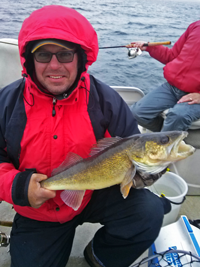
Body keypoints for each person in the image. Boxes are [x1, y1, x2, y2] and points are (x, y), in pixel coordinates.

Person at [0, 5, 171, 267]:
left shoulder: (106, 101)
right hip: (39, 210)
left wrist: (147, 171)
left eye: (65, 54)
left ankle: (100, 257)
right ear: (29, 59)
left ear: (81, 58)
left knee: (148, 212)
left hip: (94, 193)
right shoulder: (7, 103)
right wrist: (18, 187)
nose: (54, 65)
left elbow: (133, 148)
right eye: (43, 54)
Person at [128, 20, 200, 132]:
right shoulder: (196, 26)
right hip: (172, 88)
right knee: (137, 113)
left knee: (177, 116)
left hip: (196, 96)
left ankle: (167, 142)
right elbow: (172, 56)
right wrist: (149, 47)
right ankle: (170, 137)